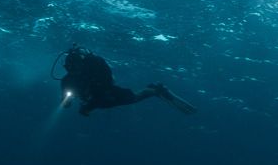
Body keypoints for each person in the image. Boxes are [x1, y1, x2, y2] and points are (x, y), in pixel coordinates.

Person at [57, 45, 196, 116]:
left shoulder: (92, 73)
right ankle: (153, 89)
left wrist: (87, 107)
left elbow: (102, 92)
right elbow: (66, 102)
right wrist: (67, 100)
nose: (72, 70)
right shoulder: (67, 81)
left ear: (81, 64)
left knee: (134, 98)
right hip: (102, 97)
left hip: (108, 94)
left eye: (74, 66)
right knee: (133, 97)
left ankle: (155, 90)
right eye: (69, 67)